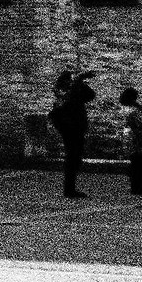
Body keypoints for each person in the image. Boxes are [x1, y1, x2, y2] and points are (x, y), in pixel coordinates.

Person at [49, 69, 95, 198]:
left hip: (76, 128)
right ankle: (69, 189)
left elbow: (90, 95)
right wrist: (78, 80)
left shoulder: (74, 91)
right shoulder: (63, 93)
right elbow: (70, 98)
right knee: (72, 157)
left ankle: (70, 188)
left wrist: (80, 82)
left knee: (75, 157)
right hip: (70, 128)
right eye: (69, 80)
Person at [119, 86, 142, 196]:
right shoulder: (133, 111)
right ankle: (138, 188)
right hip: (135, 138)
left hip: (130, 137)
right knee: (139, 163)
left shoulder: (127, 109)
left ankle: (136, 187)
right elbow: (139, 125)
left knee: (136, 162)